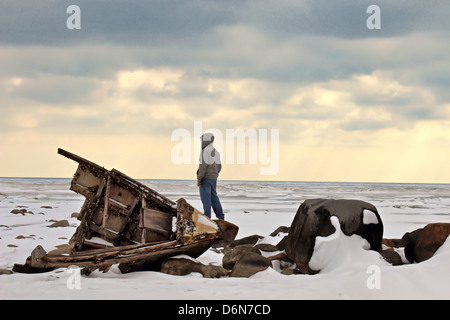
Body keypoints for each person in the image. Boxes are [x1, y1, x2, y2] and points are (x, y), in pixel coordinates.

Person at [196, 133, 224, 220]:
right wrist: (215, 174)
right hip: (213, 178)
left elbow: (202, 167)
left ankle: (207, 217)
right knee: (214, 197)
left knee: (206, 198)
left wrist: (199, 179)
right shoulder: (216, 152)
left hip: (206, 178)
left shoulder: (204, 151)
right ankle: (220, 217)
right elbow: (220, 166)